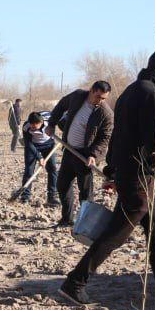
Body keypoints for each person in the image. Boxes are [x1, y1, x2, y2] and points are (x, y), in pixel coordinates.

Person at [60, 45, 155, 306]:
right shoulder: (149, 93)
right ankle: (74, 283)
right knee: (117, 232)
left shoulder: (132, 92)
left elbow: (119, 139)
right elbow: (154, 141)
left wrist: (112, 171)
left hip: (141, 175)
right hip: (139, 177)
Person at [47, 80, 113, 226]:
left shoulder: (106, 113)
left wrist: (94, 155)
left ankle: (84, 224)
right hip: (69, 150)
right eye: (98, 97)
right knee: (62, 185)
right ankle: (67, 219)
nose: (99, 101)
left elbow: (104, 138)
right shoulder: (77, 96)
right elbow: (61, 106)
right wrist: (52, 123)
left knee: (85, 192)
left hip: (85, 156)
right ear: (91, 90)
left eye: (103, 99)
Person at [19, 113, 59, 206]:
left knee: (52, 169)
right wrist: (40, 158)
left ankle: (51, 197)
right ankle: (25, 197)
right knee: (29, 170)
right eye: (31, 124)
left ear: (41, 122)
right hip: (33, 145)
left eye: (35, 124)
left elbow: (63, 118)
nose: (32, 126)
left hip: (48, 145)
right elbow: (28, 144)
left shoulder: (49, 121)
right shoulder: (26, 126)